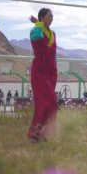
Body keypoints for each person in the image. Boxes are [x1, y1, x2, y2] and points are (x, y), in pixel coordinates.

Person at [27, 8, 58, 142]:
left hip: (51, 71)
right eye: (49, 16)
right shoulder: (35, 31)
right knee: (43, 102)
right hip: (39, 70)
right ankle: (35, 134)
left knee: (51, 102)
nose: (52, 18)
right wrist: (38, 24)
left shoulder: (53, 33)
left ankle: (44, 133)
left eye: (52, 16)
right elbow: (37, 38)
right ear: (42, 17)